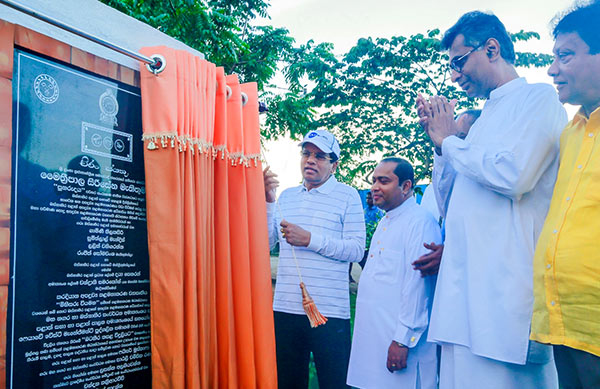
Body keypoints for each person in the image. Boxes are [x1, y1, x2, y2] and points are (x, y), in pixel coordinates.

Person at [416, 11, 568, 388]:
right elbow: (451, 202)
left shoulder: (539, 99)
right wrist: (440, 145)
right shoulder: (484, 118)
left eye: (458, 61)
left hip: (503, 295)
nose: (454, 74)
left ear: (492, 48)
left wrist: (451, 142)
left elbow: (514, 175)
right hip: (461, 294)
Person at [530, 2, 600, 388]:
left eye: (565, 55)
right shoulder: (570, 133)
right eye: (553, 57)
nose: (552, 69)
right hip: (560, 320)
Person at [263, 129, 365, 389]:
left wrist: (310, 239)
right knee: (287, 381)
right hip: (286, 307)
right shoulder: (287, 195)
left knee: (334, 381)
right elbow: (267, 242)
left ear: (334, 165)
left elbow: (356, 249)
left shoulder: (348, 196)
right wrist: (268, 200)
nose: (310, 160)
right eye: (306, 153)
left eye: (320, 156)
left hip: (329, 311)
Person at [347, 158, 440, 389]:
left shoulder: (420, 222)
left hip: (400, 342)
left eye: (384, 181)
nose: (375, 187)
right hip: (374, 338)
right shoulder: (386, 220)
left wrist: (402, 340)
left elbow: (418, 288)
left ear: (406, 186)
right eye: (374, 181)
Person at [414, 109, 481, 277]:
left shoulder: (490, 185)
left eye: (459, 138)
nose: (451, 145)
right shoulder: (433, 188)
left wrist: (452, 253)